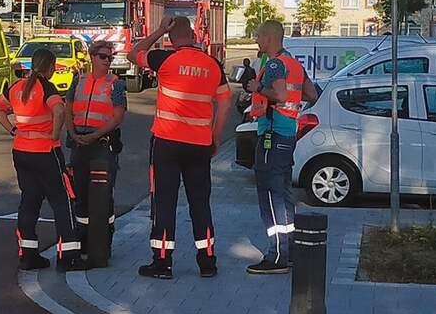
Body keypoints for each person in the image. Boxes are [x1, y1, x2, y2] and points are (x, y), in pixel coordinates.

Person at [128, 16, 231, 279]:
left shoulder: (164, 59)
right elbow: (225, 102)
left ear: (172, 38)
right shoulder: (213, 65)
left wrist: (159, 30)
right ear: (194, 35)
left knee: (164, 202)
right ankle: (207, 261)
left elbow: (134, 54)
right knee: (200, 203)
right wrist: (215, 136)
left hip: (167, 143)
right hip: (199, 145)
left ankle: (162, 263)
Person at [0, 48, 86, 272]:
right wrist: (54, 134)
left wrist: (12, 129)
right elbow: (59, 111)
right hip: (46, 151)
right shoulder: (47, 87)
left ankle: (28, 255)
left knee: (30, 201)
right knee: (62, 201)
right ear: (51, 67)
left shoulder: (16, 87)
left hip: (21, 150)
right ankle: (69, 256)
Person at [244, 20, 318, 274]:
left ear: (268, 37)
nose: (256, 40)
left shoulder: (274, 64)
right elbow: (311, 94)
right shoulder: (293, 63)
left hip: (272, 136)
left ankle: (276, 256)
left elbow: (281, 96)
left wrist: (257, 88)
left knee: (269, 194)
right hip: (287, 135)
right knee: (283, 193)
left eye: (257, 36)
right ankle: (290, 250)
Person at [65, 40, 127, 256]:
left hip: (102, 144)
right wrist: (73, 134)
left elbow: (118, 116)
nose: (107, 61)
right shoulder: (79, 79)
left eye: (110, 58)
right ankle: (83, 240)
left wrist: (94, 136)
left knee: (103, 195)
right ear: (92, 57)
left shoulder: (115, 84)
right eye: (103, 57)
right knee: (80, 195)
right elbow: (68, 108)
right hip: (79, 143)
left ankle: (103, 242)